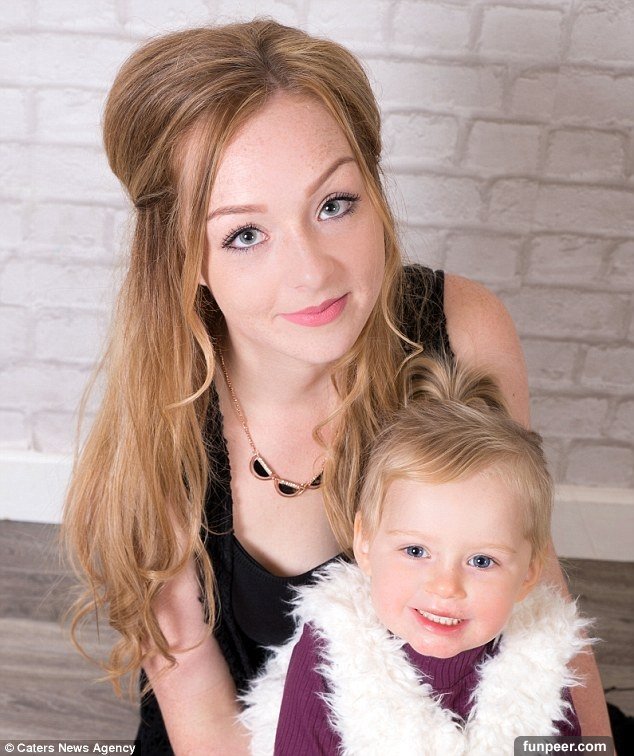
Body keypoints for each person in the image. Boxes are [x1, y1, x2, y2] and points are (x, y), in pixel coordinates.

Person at [61, 19, 610, 755]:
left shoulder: (464, 328)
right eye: (245, 234)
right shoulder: (164, 427)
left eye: (334, 204)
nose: (312, 271)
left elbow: (538, 598)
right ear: (182, 259)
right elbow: (187, 679)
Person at [239, 357, 587, 755]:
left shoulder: (535, 662)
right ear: (365, 543)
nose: (446, 586)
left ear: (528, 573)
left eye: (481, 561)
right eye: (416, 551)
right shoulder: (332, 651)